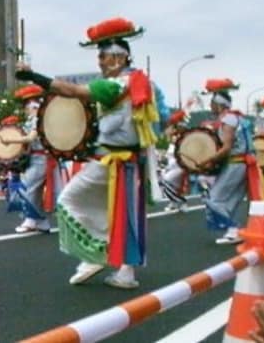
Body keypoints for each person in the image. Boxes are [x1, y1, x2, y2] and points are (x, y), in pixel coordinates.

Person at [16, 17, 159, 289]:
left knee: (69, 200)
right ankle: (125, 273)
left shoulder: (114, 85)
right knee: (121, 214)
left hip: (111, 161)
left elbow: (71, 91)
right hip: (124, 161)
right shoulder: (135, 82)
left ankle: (95, 254)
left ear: (118, 58)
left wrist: (34, 76)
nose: (100, 63)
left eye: (103, 57)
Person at [199, 79, 264, 244]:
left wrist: (208, 160)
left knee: (214, 198)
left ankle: (234, 228)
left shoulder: (228, 120)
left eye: (212, 103)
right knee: (231, 200)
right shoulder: (236, 118)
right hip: (241, 164)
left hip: (235, 163)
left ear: (219, 105)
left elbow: (227, 147)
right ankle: (233, 232)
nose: (210, 106)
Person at [4, 85, 68, 233]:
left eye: (26, 103)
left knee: (26, 188)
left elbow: (31, 138)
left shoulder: (40, 117)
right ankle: (39, 221)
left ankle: (32, 220)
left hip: (42, 158)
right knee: (34, 191)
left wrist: (10, 140)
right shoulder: (35, 118)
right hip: (36, 158)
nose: (25, 107)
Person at [161, 109, 191, 212]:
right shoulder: (174, 134)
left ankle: (181, 201)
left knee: (166, 180)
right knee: (174, 185)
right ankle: (174, 202)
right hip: (172, 163)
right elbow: (167, 133)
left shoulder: (185, 135)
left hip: (180, 164)